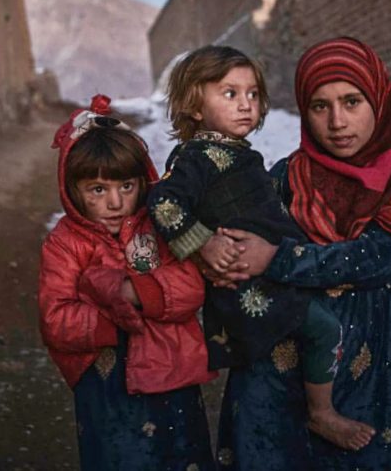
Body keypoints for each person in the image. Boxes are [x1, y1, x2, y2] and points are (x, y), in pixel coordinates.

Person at [212, 37, 391, 470]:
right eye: (320, 106)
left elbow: (380, 256)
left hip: (373, 356)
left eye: (352, 101)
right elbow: (241, 236)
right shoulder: (286, 176)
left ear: (379, 99)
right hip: (284, 360)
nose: (337, 121)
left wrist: (276, 259)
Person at [147, 45, 375, 452]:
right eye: (229, 94)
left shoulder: (240, 154)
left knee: (307, 334)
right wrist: (204, 243)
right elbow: (163, 202)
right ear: (194, 106)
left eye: (253, 94)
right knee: (322, 330)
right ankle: (321, 413)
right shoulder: (195, 157)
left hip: (267, 272)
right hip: (247, 284)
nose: (246, 105)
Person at [38, 94, 217, 471]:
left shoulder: (161, 226)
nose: (115, 203)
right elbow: (56, 320)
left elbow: (191, 285)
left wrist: (135, 292)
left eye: (127, 187)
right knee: (118, 455)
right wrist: (110, 317)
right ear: (73, 191)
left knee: (181, 454)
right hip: (107, 385)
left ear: (143, 180)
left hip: (173, 375)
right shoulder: (65, 244)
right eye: (98, 190)